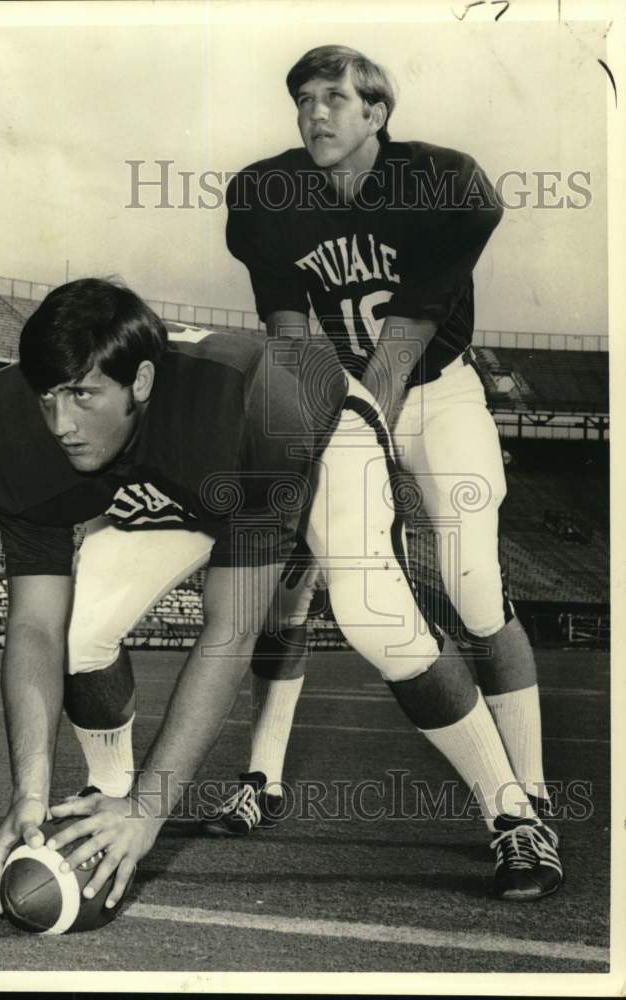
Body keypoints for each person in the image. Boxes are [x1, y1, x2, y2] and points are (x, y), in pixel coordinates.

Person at [0, 278, 560, 915]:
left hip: (312, 434)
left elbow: (230, 632)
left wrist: (150, 815)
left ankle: (514, 814)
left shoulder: (248, 402)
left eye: (82, 395)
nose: (60, 424)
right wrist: (28, 792)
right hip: (175, 472)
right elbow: (36, 628)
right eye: (47, 394)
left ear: (142, 382)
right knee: (80, 632)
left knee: (377, 620)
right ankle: (101, 797)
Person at [205, 43, 561, 885]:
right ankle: (275, 779)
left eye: (334, 97)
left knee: (473, 588)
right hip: (331, 396)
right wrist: (324, 427)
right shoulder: (267, 194)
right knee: (332, 599)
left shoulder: (443, 183)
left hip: (433, 390)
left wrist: (364, 414)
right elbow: (291, 336)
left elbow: (405, 341)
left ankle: (532, 794)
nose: (314, 112)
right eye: (302, 99)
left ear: (377, 113)